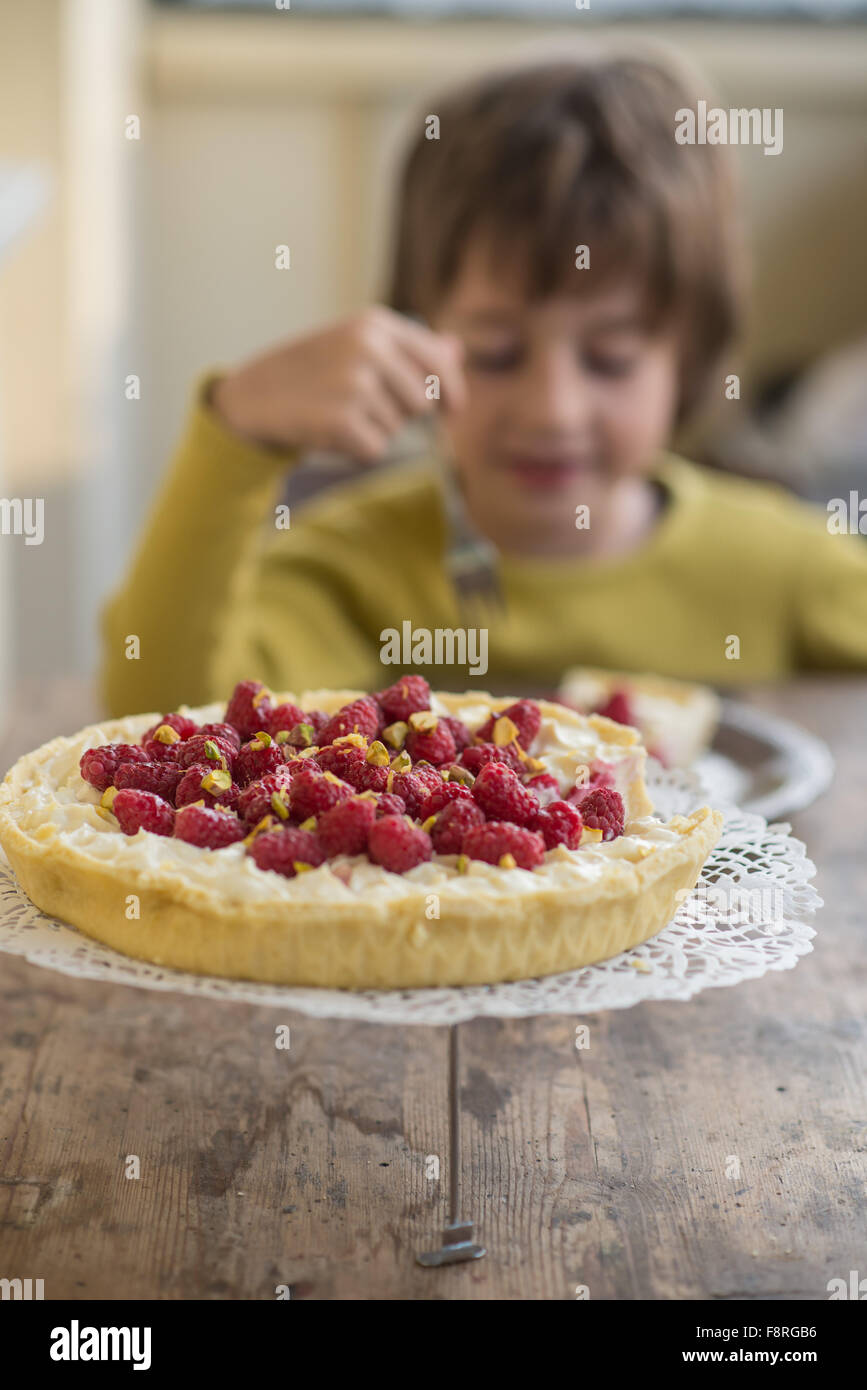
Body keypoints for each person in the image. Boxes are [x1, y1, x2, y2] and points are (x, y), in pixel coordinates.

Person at [99, 51, 867, 718]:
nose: (551, 409)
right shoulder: (350, 570)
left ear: (690, 359)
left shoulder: (786, 570)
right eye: (495, 353)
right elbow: (161, 720)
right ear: (410, 335)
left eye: (610, 359)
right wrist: (237, 433)